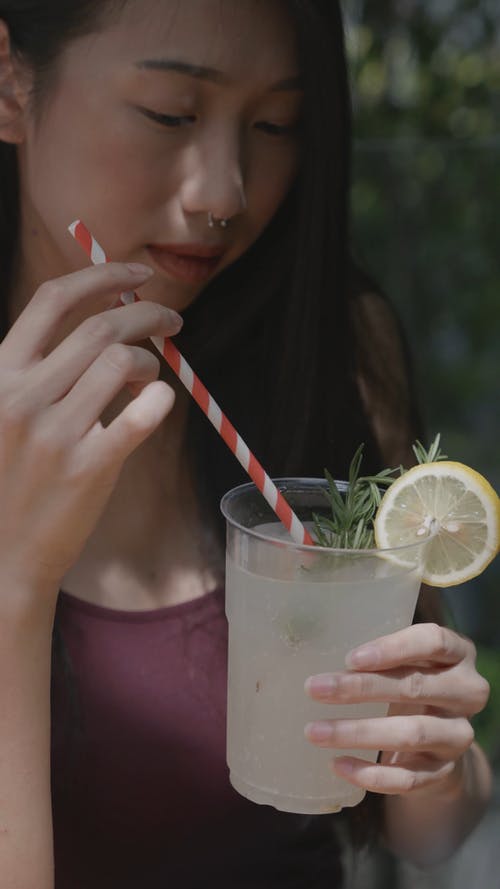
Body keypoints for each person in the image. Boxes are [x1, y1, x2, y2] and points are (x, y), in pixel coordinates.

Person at [0, 1, 493, 887]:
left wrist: (435, 758)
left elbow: (428, 834)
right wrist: (13, 582)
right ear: (8, 79)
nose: (225, 192)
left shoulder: (326, 348)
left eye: (277, 125)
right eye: (171, 113)